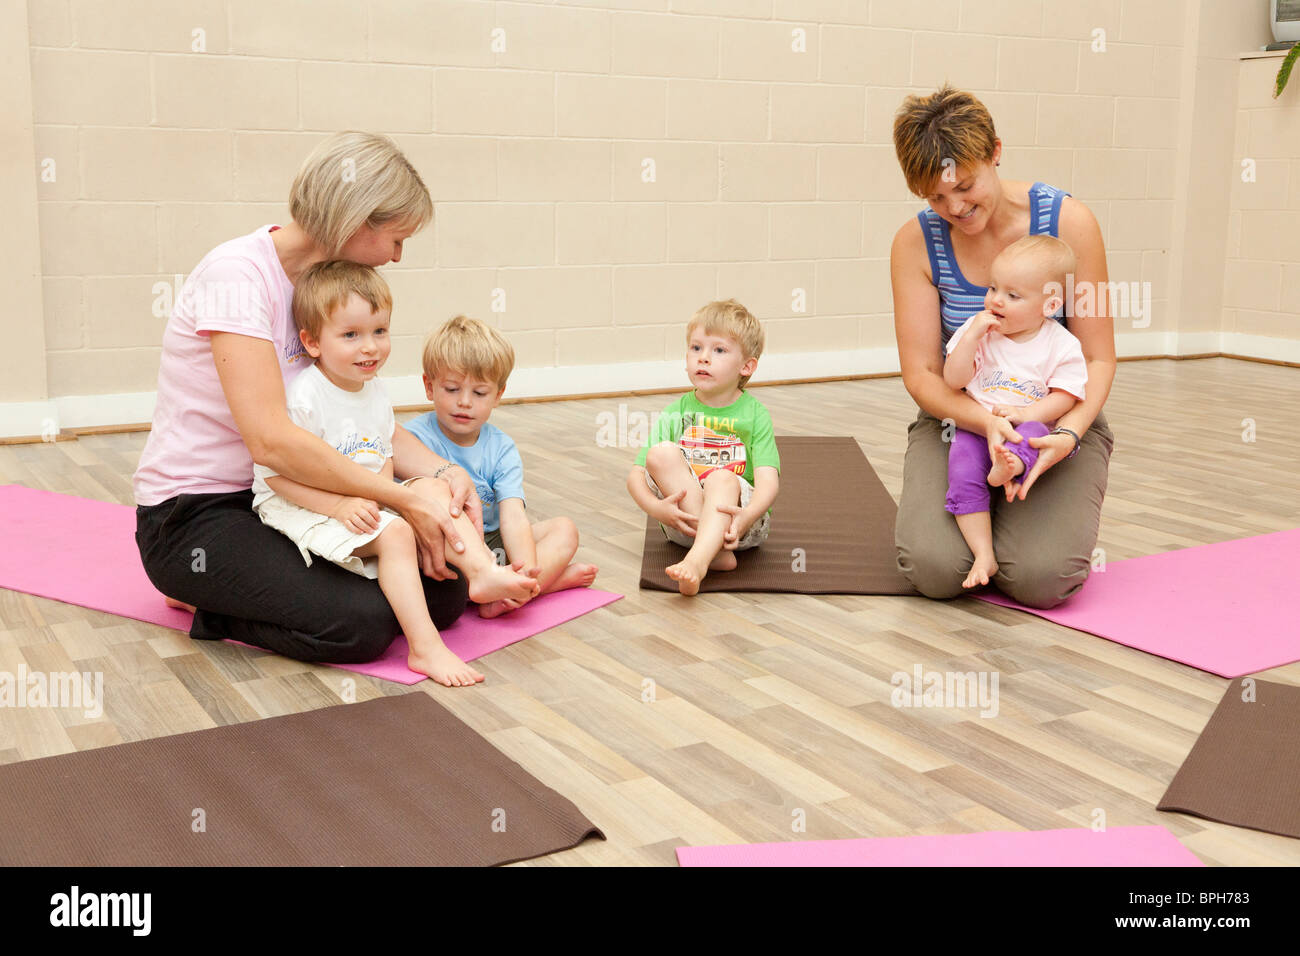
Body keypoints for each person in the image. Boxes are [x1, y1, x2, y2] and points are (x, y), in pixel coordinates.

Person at [133, 132, 486, 664]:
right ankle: (201, 595)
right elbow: (272, 443)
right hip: (199, 515)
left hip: (291, 499)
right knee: (358, 626)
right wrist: (403, 499)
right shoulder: (238, 276)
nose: (397, 256)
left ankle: (271, 593)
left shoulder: (330, 293)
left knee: (445, 591)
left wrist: (440, 473)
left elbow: (363, 421)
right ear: (356, 219)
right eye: (396, 238)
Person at [251, 263, 538, 685]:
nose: (369, 347)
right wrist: (339, 504)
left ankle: (480, 572)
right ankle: (425, 649)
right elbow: (272, 476)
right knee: (399, 535)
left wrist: (392, 497)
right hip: (300, 501)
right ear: (312, 342)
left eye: (379, 332)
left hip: (360, 498)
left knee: (434, 489)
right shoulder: (305, 395)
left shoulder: (374, 390)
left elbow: (382, 452)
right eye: (351, 335)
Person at [889, 85, 1117, 609]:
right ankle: (982, 520)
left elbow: (1098, 356)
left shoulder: (1070, 223)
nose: (955, 208)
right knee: (934, 570)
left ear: (995, 150)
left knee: (1042, 578)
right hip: (960, 415)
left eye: (964, 186)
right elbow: (923, 374)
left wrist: (1066, 434)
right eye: (935, 198)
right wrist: (986, 423)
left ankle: (1014, 517)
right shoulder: (914, 243)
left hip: (1054, 416)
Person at [405, 316, 597, 618]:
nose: (464, 402)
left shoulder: (501, 447)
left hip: (493, 545)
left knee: (565, 529)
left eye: (479, 393)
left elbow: (513, 517)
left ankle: (518, 589)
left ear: (498, 395)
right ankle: (542, 585)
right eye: (452, 389)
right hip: (446, 547)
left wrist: (525, 569)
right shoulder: (414, 438)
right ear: (429, 387)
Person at [942, 236, 1088, 589]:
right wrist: (971, 337)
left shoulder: (1060, 343)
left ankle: (1011, 466)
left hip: (1026, 427)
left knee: (1037, 432)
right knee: (960, 466)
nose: (995, 300)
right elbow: (953, 379)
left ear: (1049, 304)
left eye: (1012, 295)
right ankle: (983, 554)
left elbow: (1066, 396)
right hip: (978, 427)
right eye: (993, 287)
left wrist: (1026, 413)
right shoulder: (979, 333)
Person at [626, 299, 781, 596]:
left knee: (721, 477)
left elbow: (768, 484)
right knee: (660, 453)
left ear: (746, 366)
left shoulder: (755, 414)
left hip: (738, 526)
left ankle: (698, 561)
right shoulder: (675, 411)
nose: (703, 358)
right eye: (696, 348)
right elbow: (635, 476)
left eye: (719, 350)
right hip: (683, 524)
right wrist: (657, 509)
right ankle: (713, 553)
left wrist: (746, 517)